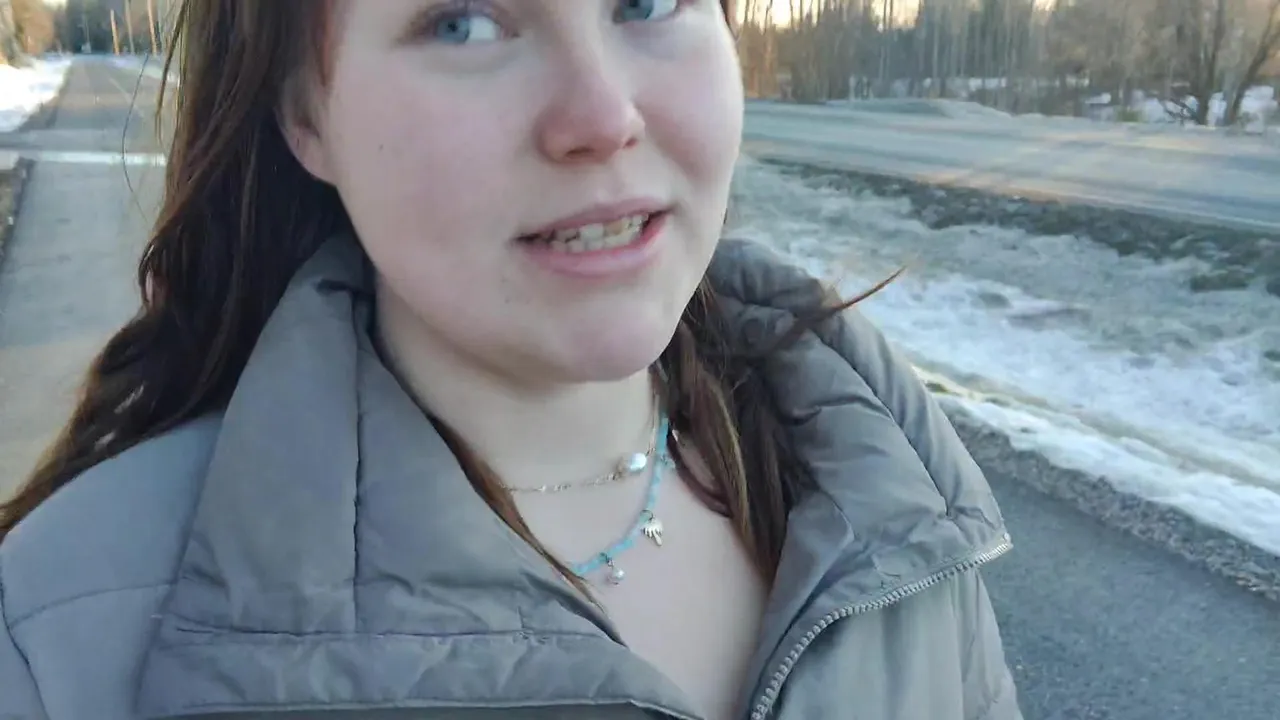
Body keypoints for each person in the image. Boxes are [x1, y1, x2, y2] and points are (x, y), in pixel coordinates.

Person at [0, 1, 1023, 718]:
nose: (602, 118)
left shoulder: (882, 478)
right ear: (306, 115)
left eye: (646, 1)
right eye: (462, 22)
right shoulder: (61, 638)